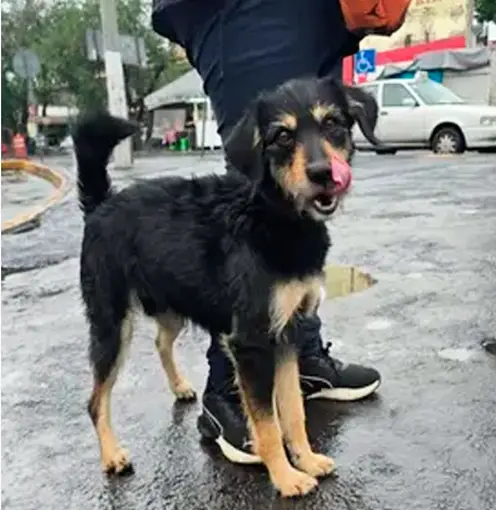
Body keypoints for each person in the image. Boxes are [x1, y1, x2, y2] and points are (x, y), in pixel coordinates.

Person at [151, 0, 382, 463]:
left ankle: (301, 352)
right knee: (254, 193)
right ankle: (228, 391)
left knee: (304, 167)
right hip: (244, 7)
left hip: (326, 14)